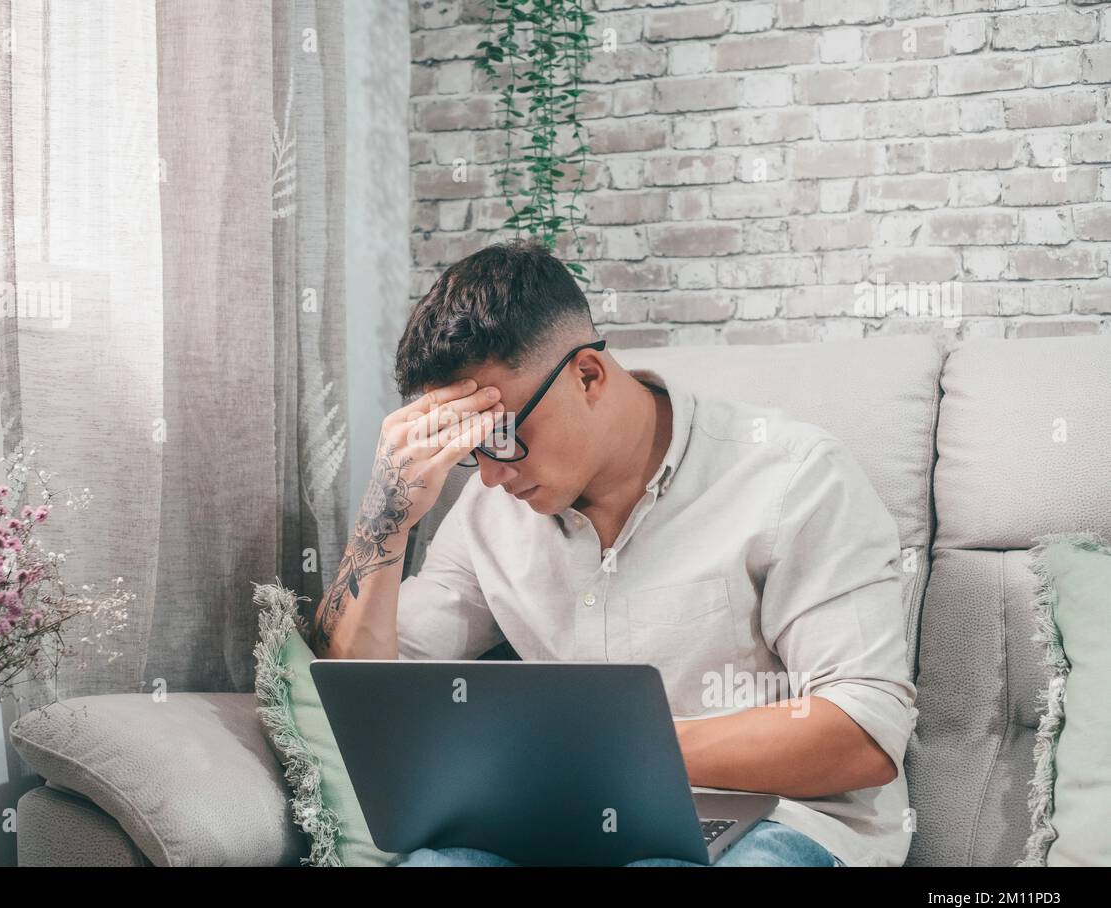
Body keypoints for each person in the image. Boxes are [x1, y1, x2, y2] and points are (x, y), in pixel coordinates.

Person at [311, 238, 917, 867]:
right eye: (472, 448)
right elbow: (365, 687)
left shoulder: (793, 478)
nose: (490, 476)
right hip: (563, 821)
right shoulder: (491, 511)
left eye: (503, 436)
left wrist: (615, 750)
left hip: (772, 823)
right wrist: (384, 516)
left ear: (588, 375)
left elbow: (862, 732)